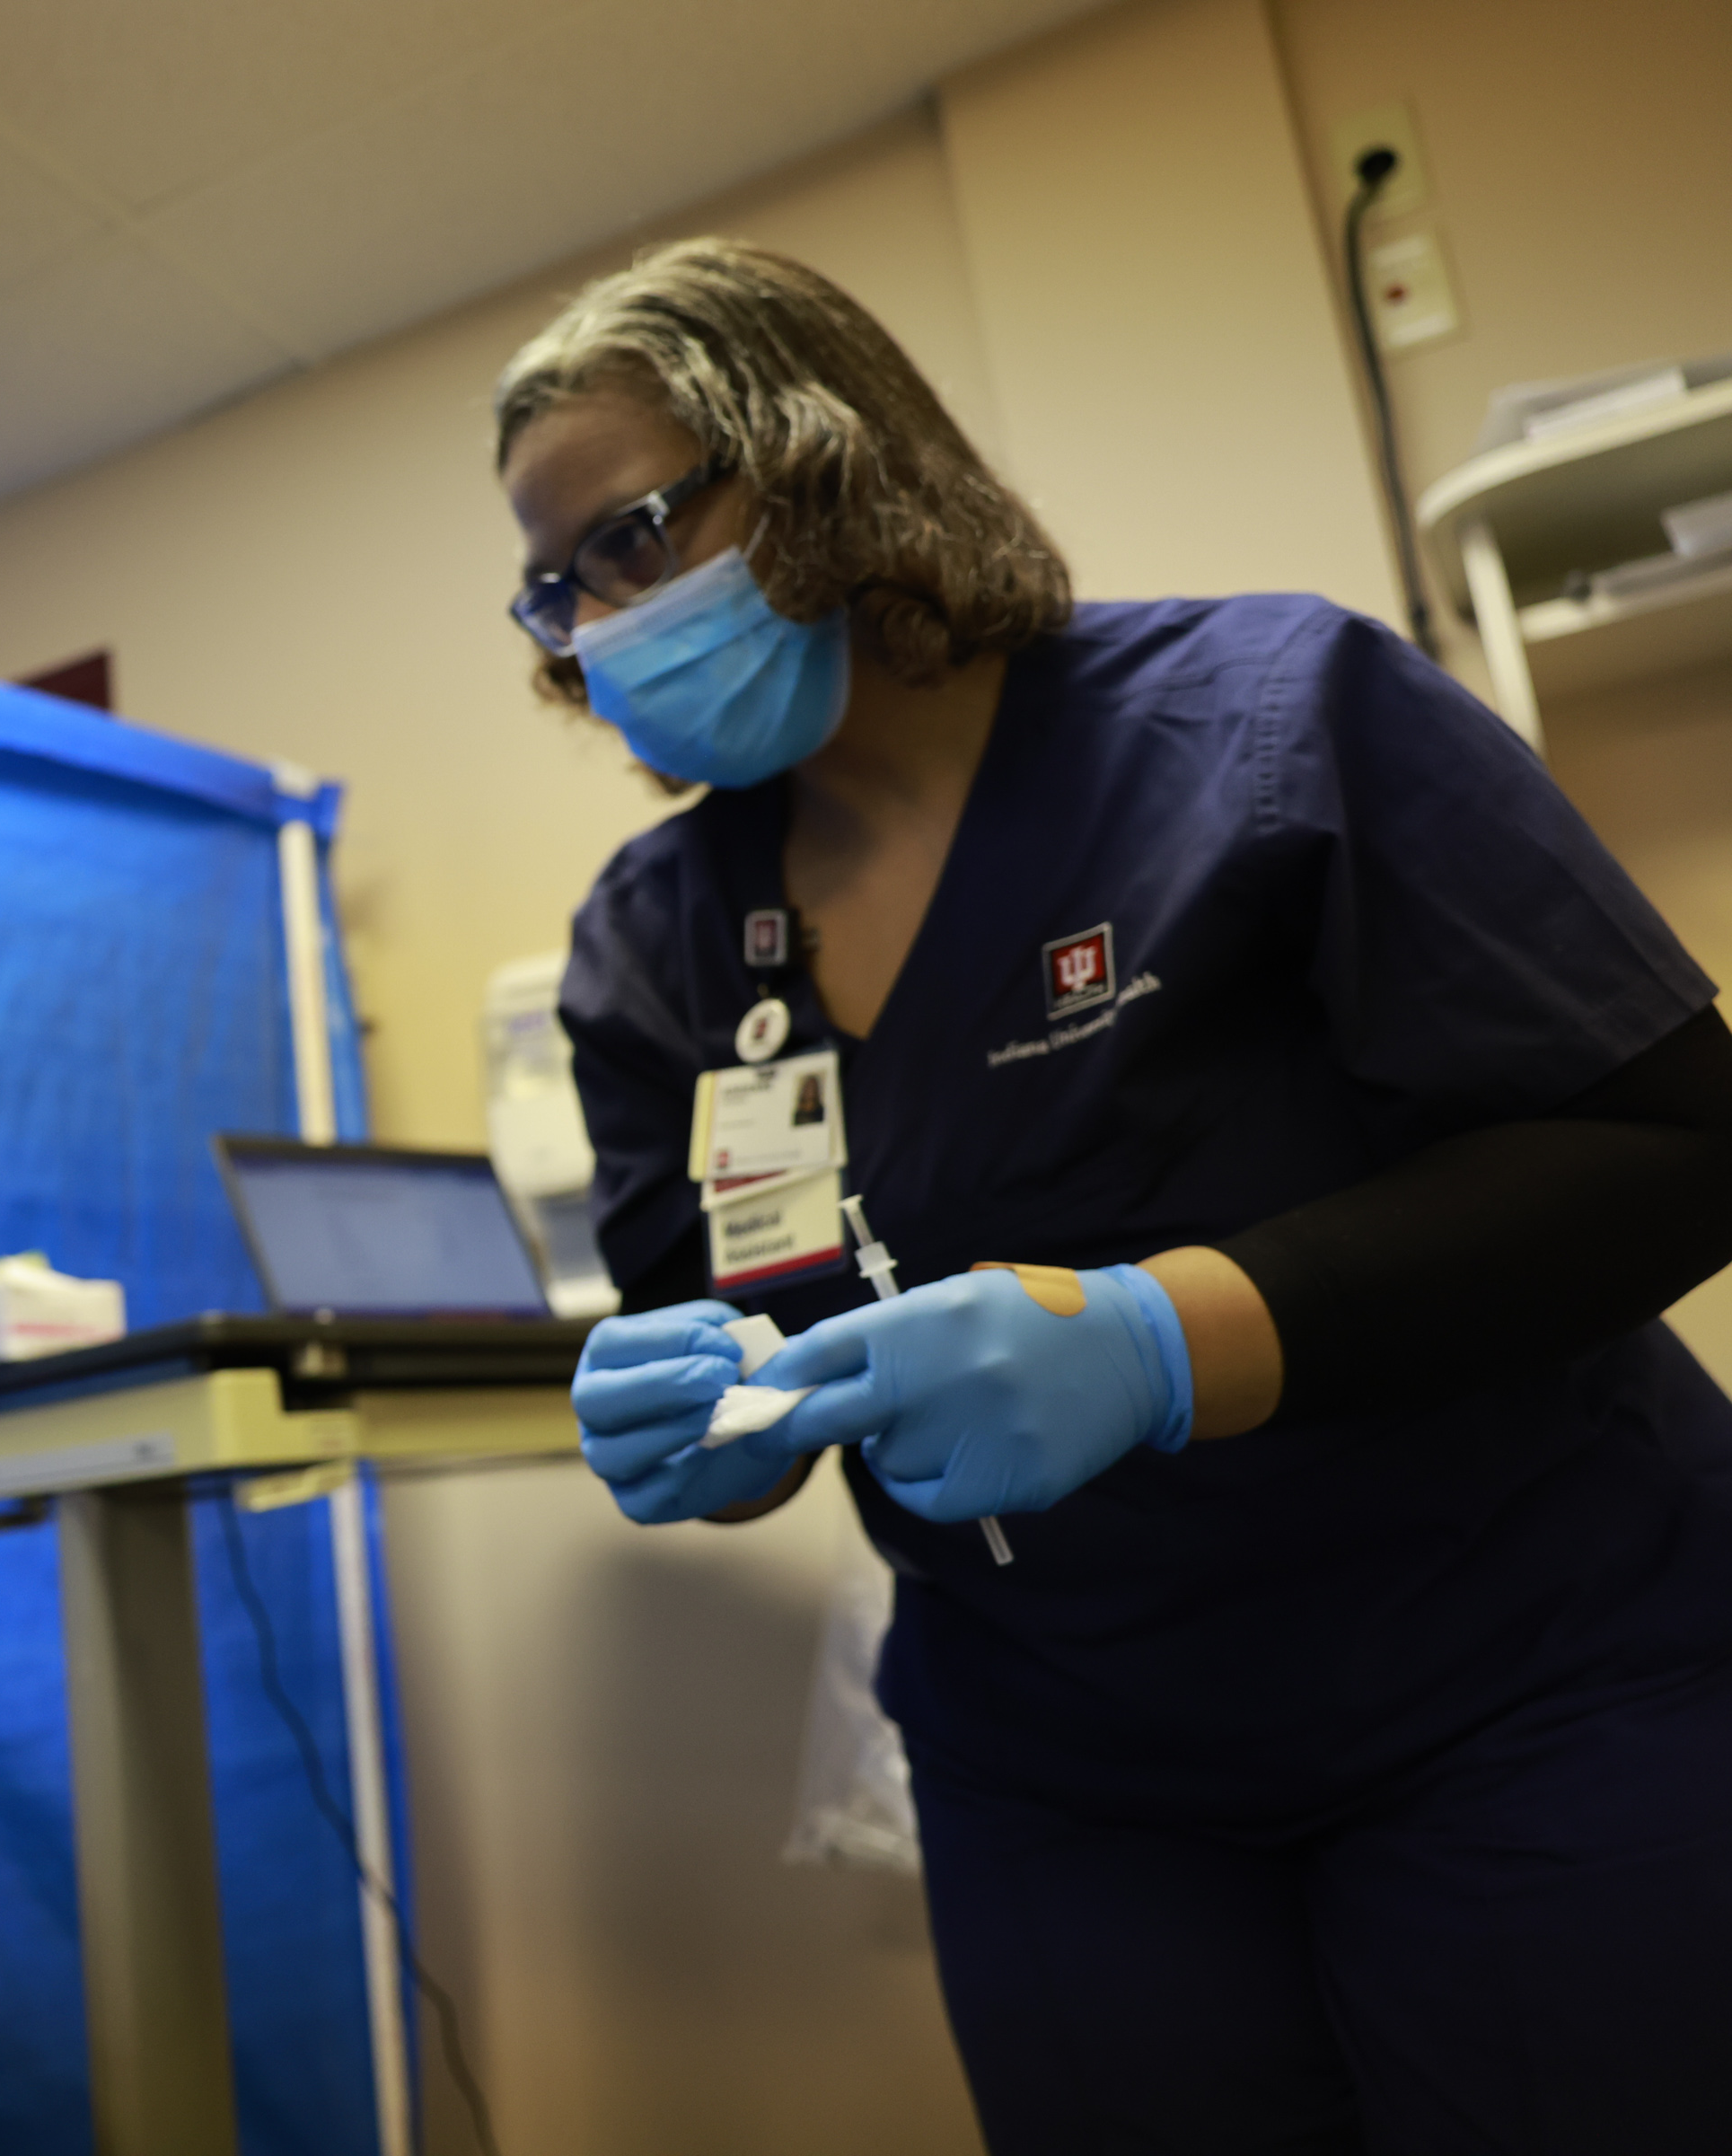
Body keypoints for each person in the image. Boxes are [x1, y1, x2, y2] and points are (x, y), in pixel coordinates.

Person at [503, 239, 1732, 2152]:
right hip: (1060, 1778)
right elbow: (741, 1316)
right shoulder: (658, 946)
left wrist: (1164, 1339)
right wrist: (704, 1421)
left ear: (821, 453)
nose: (592, 620)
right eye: (553, 583)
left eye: (636, 534)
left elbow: (1670, 1144)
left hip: (1524, 1673)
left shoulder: (1269, 720)